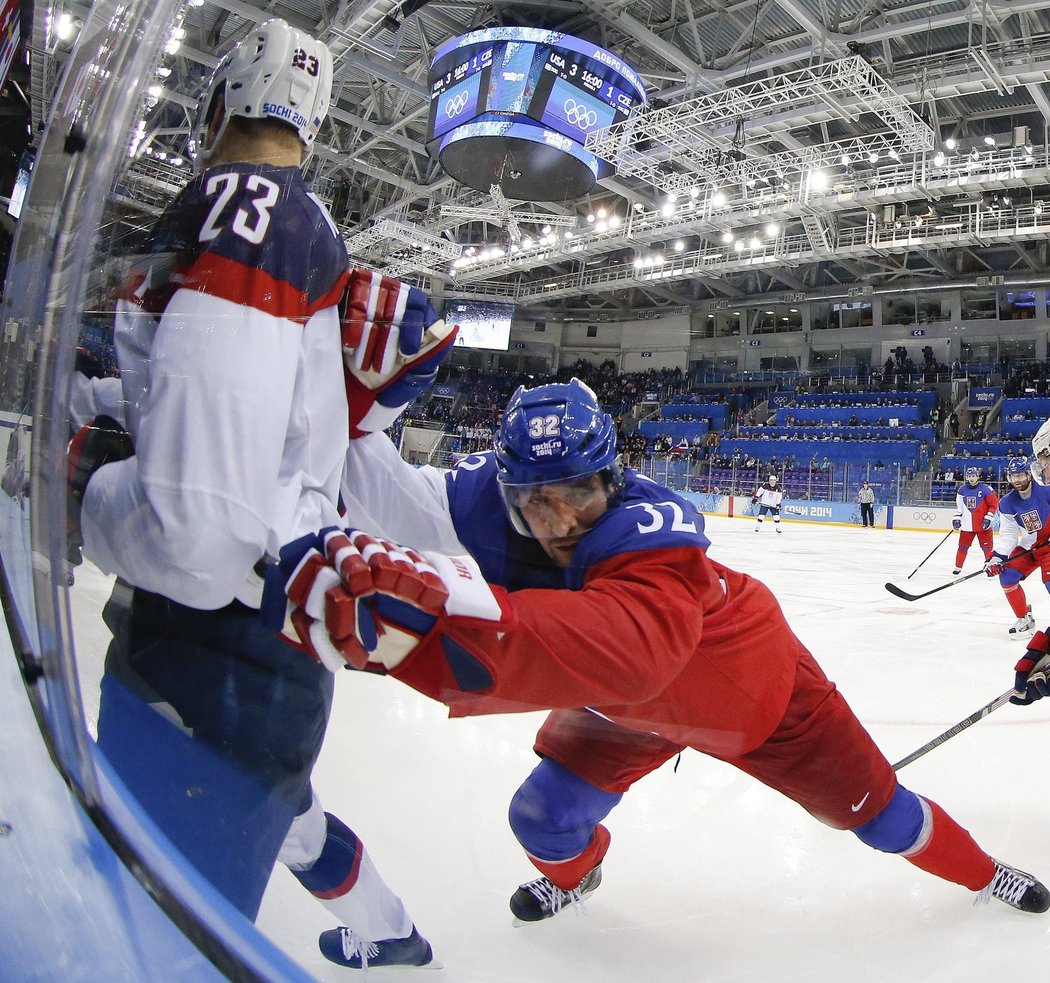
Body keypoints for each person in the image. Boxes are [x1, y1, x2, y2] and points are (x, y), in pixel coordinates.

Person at [268, 379, 1049, 944]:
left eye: (577, 491)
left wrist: (427, 628)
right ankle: (582, 874)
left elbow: (627, 654)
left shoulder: (658, 532)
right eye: (535, 499)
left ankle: (984, 872)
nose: (558, 518)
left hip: (754, 691)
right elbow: (391, 495)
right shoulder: (490, 506)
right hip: (629, 707)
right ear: (504, 488)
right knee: (540, 818)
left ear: (612, 472)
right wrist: (329, 395)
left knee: (884, 820)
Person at [66, 20, 435, 968]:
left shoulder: (247, 210)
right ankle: (391, 931)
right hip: (237, 650)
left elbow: (196, 535)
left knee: (154, 942)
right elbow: (220, 416)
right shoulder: (281, 217)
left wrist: (83, 482)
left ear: (222, 97)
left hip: (214, 655)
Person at [982, 457, 1049, 638]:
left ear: (1029, 474)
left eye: (1020, 475)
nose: (1017, 480)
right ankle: (1025, 619)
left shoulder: (1046, 492)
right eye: (1013, 476)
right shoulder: (1007, 503)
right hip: (1030, 547)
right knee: (1007, 576)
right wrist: (997, 557)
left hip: (1049, 547)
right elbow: (1009, 535)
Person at [951, 466, 998, 575]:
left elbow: (994, 504)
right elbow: (960, 508)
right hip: (967, 526)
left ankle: (990, 568)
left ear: (978, 476)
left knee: (987, 548)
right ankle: (958, 567)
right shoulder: (962, 490)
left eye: (973, 476)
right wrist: (957, 518)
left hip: (983, 525)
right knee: (962, 547)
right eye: (969, 476)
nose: (971, 478)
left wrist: (989, 517)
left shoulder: (986, 489)